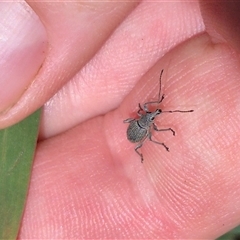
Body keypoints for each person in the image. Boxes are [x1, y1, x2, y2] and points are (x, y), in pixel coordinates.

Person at [1, 1, 240, 239]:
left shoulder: (146, 120)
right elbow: (147, 120)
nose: (153, 113)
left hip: (134, 131)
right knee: (148, 140)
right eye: (150, 113)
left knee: (148, 138)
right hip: (133, 132)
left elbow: (149, 119)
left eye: (151, 114)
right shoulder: (145, 120)